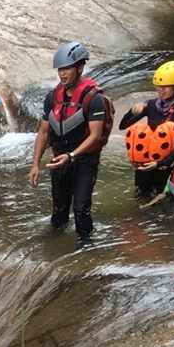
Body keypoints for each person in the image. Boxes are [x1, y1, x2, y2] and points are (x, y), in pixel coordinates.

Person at [29, 42, 109, 247]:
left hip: (84, 159)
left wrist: (72, 156)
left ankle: (86, 243)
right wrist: (35, 165)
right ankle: (57, 240)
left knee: (81, 208)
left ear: (80, 68)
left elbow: (95, 135)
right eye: (60, 70)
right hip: (60, 157)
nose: (62, 74)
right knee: (59, 208)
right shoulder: (52, 97)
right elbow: (44, 131)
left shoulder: (94, 98)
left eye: (67, 69)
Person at [119, 62, 174, 201]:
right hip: (146, 163)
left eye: (165, 87)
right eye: (158, 86)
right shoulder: (151, 105)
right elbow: (123, 125)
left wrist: (160, 164)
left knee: (163, 198)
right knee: (141, 196)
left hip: (167, 165)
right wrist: (132, 112)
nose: (160, 90)